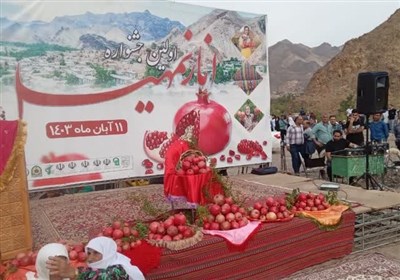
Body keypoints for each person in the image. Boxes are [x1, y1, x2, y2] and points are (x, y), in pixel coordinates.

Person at [47, 237, 145, 280]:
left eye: (96, 253)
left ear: (107, 253)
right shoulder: (89, 269)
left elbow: (103, 277)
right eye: (88, 253)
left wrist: (74, 273)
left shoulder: (119, 268)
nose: (90, 258)